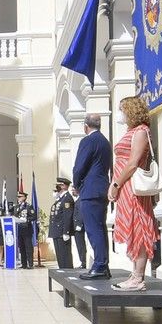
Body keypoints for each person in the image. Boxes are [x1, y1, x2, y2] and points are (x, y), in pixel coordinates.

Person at [108, 97, 160, 290]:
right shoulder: (130, 131)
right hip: (125, 186)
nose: (120, 113)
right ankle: (134, 274)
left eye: (122, 109)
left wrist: (116, 183)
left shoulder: (141, 131)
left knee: (138, 227)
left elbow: (133, 162)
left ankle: (138, 278)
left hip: (133, 186)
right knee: (131, 228)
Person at [72, 113, 112, 280]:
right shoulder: (105, 141)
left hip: (90, 191)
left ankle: (100, 266)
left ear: (85, 126)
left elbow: (79, 167)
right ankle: (103, 264)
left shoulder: (87, 140)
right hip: (102, 189)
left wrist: (77, 185)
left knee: (93, 230)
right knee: (101, 229)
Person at [48, 177, 76, 269]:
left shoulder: (67, 198)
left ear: (64, 186)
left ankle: (67, 271)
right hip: (56, 231)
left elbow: (67, 216)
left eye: (59, 185)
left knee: (65, 254)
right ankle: (62, 270)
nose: (57, 187)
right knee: (60, 254)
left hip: (62, 231)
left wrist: (66, 232)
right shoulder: (60, 198)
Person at [12, 190, 37, 268]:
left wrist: (27, 219)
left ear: (25, 197)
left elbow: (34, 216)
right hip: (19, 230)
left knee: (28, 247)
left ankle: (30, 264)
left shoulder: (28, 206)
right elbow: (14, 216)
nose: (18, 198)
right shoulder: (16, 207)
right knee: (22, 247)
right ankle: (24, 264)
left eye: (20, 197)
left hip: (27, 229)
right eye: (18, 197)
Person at [70, 184, 87, 269]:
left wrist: (79, 224)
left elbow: (81, 213)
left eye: (74, 189)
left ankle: (84, 263)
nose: (72, 191)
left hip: (79, 227)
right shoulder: (77, 200)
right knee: (79, 245)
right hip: (76, 226)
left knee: (81, 246)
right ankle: (82, 262)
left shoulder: (80, 200)